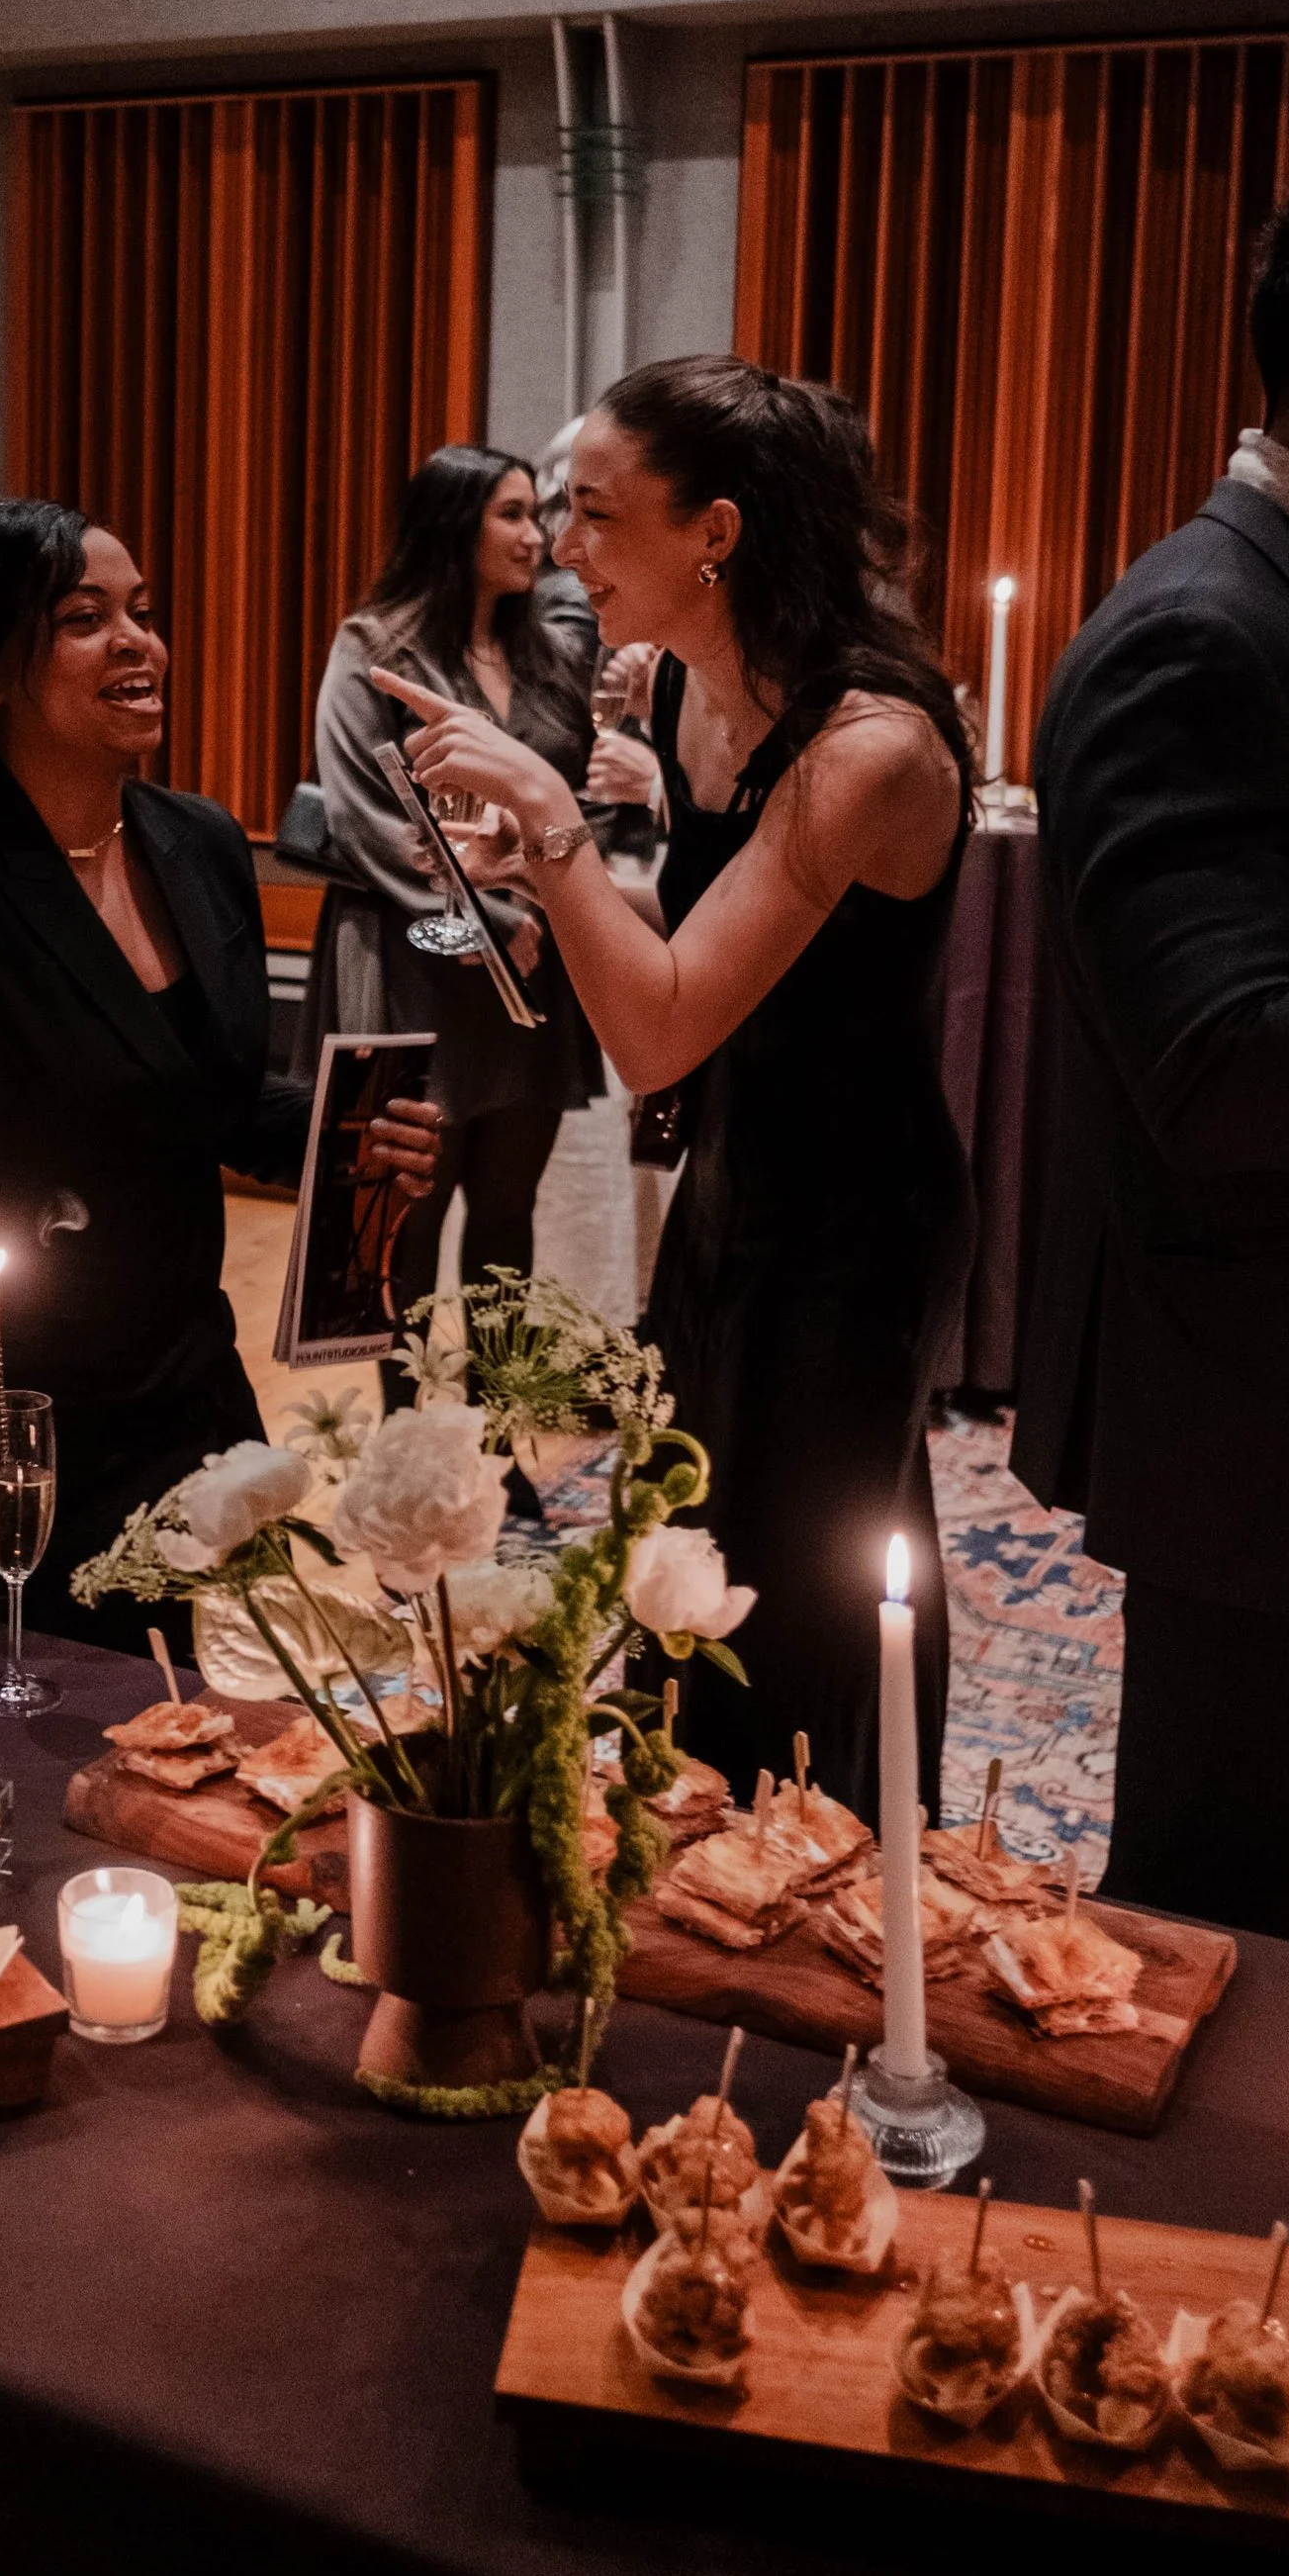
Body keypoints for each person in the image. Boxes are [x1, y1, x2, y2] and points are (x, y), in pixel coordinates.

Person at [378, 358, 972, 1824]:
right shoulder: (705, 695)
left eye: (593, 512)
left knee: (802, 1584)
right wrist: (544, 873)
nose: (565, 548)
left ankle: (825, 1870)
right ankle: (683, 1847)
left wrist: (551, 816)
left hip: (855, 1221)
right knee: (682, 1539)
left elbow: (660, 1034)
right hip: (738, 1179)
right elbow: (681, 962)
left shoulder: (867, 744)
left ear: (715, 531)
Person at [0, 501, 439, 1647]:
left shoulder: (199, 842)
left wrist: (335, 1137)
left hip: (179, 1382)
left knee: (161, 1727)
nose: (138, 642)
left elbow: (190, 1098)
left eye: (143, 614)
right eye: (83, 618)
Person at [1016, 158, 1289, 1948]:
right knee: (1206, 1930)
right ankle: (1102, 2234)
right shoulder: (1205, 631)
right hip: (1277, 1442)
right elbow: (1217, 1059)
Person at [305, 446, 604, 1382]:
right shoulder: (376, 648)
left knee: (508, 1214)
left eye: (537, 514)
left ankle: (500, 1427)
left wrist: (553, 897)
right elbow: (362, 811)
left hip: (532, 959)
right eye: (513, 515)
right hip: (414, 958)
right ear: (455, 524)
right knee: (406, 1217)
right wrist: (472, 912)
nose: (537, 536)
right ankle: (405, 1443)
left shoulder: (550, 652)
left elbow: (583, 793)